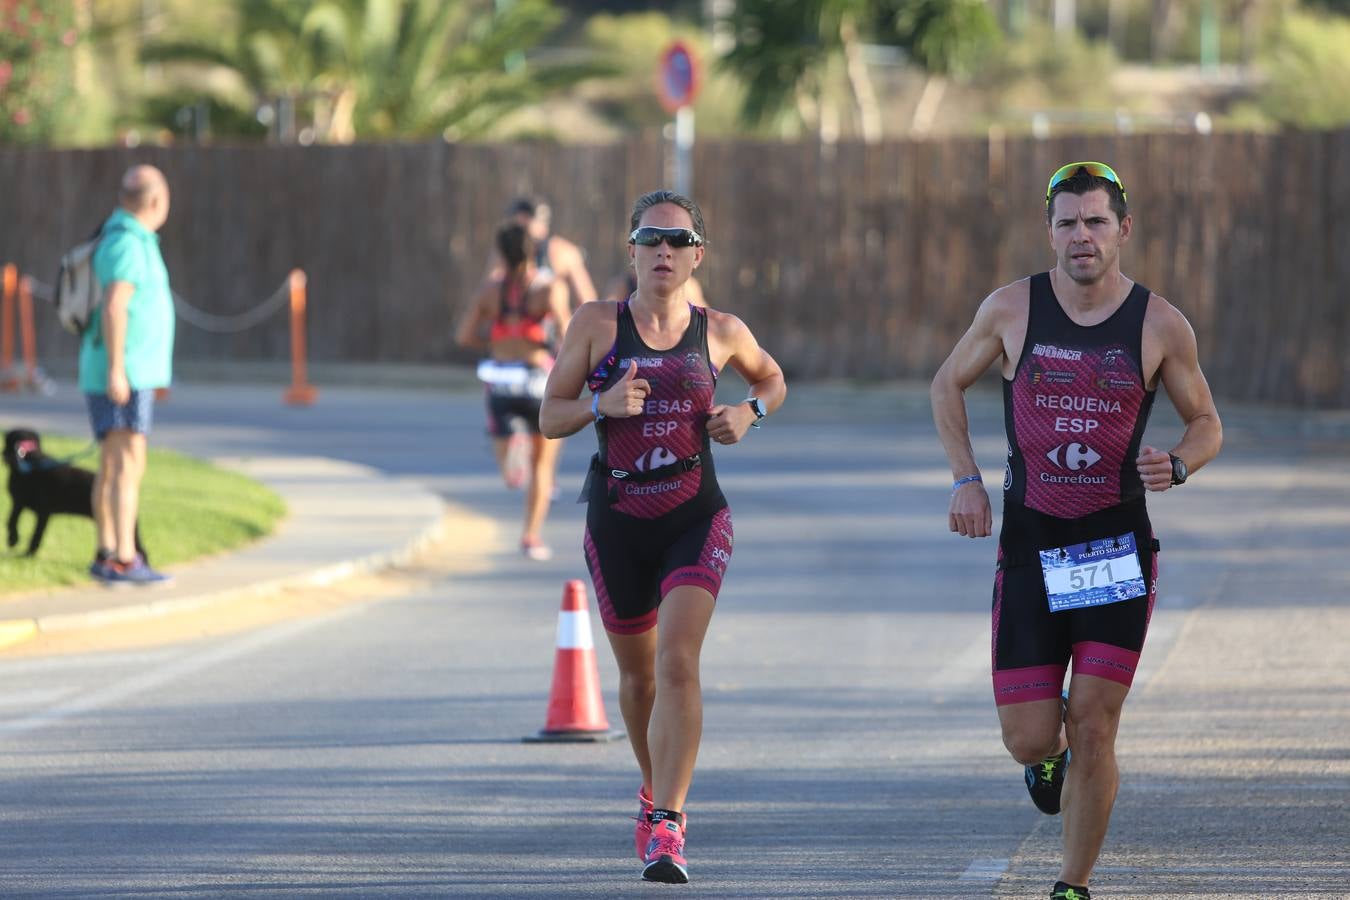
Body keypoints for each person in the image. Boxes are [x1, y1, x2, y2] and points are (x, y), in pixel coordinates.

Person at [930, 162, 1222, 899]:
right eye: (1067, 222)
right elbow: (946, 383)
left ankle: (1072, 884)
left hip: (1112, 547)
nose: (1081, 236)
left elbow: (1207, 421)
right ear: (1049, 230)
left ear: (1123, 229)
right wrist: (966, 479)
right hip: (1031, 544)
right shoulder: (1010, 309)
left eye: (1096, 221)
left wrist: (1179, 464)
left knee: (1094, 720)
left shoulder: (1160, 323)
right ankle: (1044, 759)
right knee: (1032, 735)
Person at [540, 189, 785, 884]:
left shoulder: (722, 330)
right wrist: (600, 404)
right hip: (616, 519)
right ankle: (653, 793)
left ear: (697, 255)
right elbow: (548, 416)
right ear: (632, 252)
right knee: (639, 676)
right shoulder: (595, 324)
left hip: (693, 515)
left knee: (678, 661)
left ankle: (671, 823)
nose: (664, 252)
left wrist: (752, 412)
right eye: (651, 240)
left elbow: (773, 378)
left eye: (677, 242)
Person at [82, 164, 177, 585]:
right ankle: (122, 556)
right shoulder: (127, 243)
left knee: (113, 460)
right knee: (126, 461)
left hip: (130, 369)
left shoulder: (127, 237)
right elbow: (116, 306)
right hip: (124, 373)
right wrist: (119, 370)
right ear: (156, 201)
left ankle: (109, 552)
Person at [457, 221, 571, 560]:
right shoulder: (550, 289)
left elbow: (463, 335)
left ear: (500, 253)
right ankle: (531, 536)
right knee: (542, 466)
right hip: (538, 377)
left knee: (506, 447)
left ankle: (510, 457)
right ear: (534, 251)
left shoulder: (489, 290)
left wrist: (497, 340)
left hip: (500, 377)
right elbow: (568, 336)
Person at [503, 196, 598, 311]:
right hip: (513, 322)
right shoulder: (504, 253)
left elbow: (588, 303)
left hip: (551, 324)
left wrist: (570, 324)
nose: (520, 236)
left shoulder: (563, 254)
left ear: (542, 225)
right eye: (516, 232)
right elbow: (489, 295)